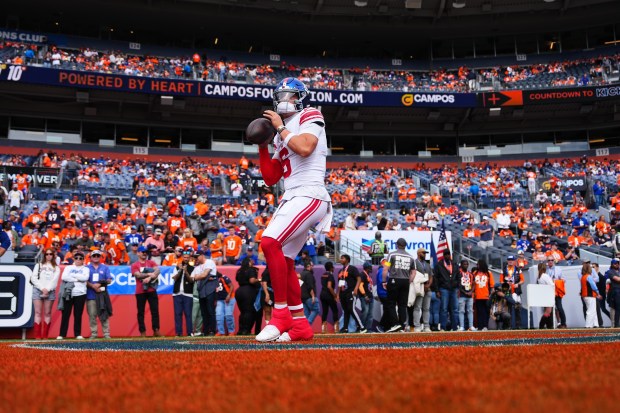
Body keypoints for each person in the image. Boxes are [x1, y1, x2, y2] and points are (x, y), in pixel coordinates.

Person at [255, 78, 331, 343]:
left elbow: (305, 147)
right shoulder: (279, 133)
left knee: (269, 242)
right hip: (292, 195)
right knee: (284, 260)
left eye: (290, 94)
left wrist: (280, 128)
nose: (285, 99)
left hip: (310, 192)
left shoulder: (311, 114)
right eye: (281, 94)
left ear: (300, 97)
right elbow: (270, 177)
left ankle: (280, 315)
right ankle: (300, 325)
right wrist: (263, 144)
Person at [382, 239, 416, 333]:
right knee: (402, 305)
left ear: (397, 245)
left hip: (394, 279)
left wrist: (384, 281)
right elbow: (413, 272)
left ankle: (395, 324)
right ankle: (402, 326)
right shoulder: (411, 257)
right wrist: (409, 281)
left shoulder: (392, 255)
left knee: (391, 303)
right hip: (405, 281)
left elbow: (385, 269)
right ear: (406, 245)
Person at [57, 251, 90, 339]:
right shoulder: (68, 268)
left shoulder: (86, 269)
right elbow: (64, 277)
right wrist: (78, 278)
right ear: (74, 259)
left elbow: (85, 278)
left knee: (78, 315)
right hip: (69, 293)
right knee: (65, 315)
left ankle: (77, 334)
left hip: (80, 293)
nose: (78, 260)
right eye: (76, 258)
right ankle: (62, 334)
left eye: (80, 258)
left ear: (83, 260)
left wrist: (73, 277)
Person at [130, 245, 161, 337]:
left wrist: (150, 277)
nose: (144, 254)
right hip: (140, 291)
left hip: (151, 290)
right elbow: (137, 275)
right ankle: (142, 331)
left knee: (155, 311)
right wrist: (149, 274)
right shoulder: (135, 265)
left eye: (146, 252)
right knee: (141, 312)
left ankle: (156, 330)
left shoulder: (151, 262)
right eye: (143, 252)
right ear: (138, 253)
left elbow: (158, 271)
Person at [31, 248, 60, 339]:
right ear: (44, 255)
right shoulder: (38, 265)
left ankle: (45, 335)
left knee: (47, 313)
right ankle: (37, 336)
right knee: (38, 312)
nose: (49, 256)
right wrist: (42, 288)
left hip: (50, 291)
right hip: (38, 289)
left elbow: (55, 280)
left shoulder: (56, 268)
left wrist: (47, 289)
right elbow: (33, 278)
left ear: (53, 255)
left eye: (50, 254)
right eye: (47, 254)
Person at [85, 249, 113, 339]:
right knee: (92, 315)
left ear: (101, 257)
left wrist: (100, 283)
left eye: (98, 256)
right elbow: (83, 280)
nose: (96, 257)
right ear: (90, 258)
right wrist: (93, 286)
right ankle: (94, 333)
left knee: (104, 314)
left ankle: (106, 333)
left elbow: (109, 280)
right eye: (94, 256)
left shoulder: (105, 268)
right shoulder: (86, 268)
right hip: (90, 294)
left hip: (102, 294)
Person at [336, 254, 366, 333]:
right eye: (341, 258)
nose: (341, 259)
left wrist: (356, 288)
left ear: (347, 260)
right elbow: (340, 283)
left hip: (350, 291)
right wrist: (338, 294)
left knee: (351, 309)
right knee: (346, 310)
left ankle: (362, 327)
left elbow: (359, 278)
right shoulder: (340, 271)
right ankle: (345, 328)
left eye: (343, 258)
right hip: (343, 292)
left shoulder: (352, 268)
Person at [192, 250, 219, 336]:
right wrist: (204, 277)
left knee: (210, 310)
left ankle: (212, 330)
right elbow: (192, 278)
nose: (196, 259)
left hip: (210, 288)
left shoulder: (209, 262)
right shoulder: (197, 267)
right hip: (201, 289)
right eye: (195, 257)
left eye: (197, 257)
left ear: (202, 255)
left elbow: (204, 275)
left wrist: (199, 277)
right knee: (204, 312)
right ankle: (206, 330)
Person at [433, 250, 459, 331]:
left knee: (454, 309)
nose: (448, 256)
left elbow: (458, 276)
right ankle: (443, 327)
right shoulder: (439, 265)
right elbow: (436, 279)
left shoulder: (454, 264)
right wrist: (437, 290)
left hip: (454, 289)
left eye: (449, 254)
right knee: (444, 309)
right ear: (443, 255)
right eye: (446, 254)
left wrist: (457, 285)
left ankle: (455, 327)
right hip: (444, 288)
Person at [171, 249, 195, 337]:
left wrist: (186, 272)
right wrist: (180, 270)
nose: (185, 259)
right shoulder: (177, 267)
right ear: (182, 257)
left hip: (188, 294)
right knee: (177, 314)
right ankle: (179, 333)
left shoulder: (192, 268)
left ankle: (189, 332)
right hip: (177, 294)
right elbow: (174, 278)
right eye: (184, 257)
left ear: (189, 258)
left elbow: (191, 280)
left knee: (188, 314)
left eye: (187, 258)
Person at [235, 257, 260, 335]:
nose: (252, 261)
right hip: (248, 291)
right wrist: (260, 280)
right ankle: (246, 330)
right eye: (251, 261)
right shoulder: (251, 269)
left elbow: (237, 279)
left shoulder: (239, 271)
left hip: (239, 291)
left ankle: (240, 329)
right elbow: (252, 280)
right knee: (248, 311)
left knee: (242, 312)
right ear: (249, 262)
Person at [500, 255, 524, 329]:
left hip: (516, 291)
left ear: (514, 261)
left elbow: (522, 280)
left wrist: (518, 284)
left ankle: (518, 325)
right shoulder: (503, 269)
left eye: (512, 260)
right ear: (507, 261)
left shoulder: (518, 269)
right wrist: (506, 285)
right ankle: (508, 326)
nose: (510, 261)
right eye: (509, 260)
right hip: (507, 291)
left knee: (517, 308)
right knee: (508, 309)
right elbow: (501, 281)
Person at [412, 247, 433, 333]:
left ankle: (426, 326)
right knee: (417, 307)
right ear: (418, 253)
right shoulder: (414, 263)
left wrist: (428, 285)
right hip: (418, 288)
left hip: (427, 288)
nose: (425, 254)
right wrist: (422, 286)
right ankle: (417, 326)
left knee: (426, 308)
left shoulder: (427, 264)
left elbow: (431, 276)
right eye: (423, 253)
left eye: (425, 253)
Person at [473, 259, 494, 331]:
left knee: (486, 312)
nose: (477, 265)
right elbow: (473, 284)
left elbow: (492, 286)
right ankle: (479, 326)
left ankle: (485, 326)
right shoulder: (475, 273)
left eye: (478, 264)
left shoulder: (488, 273)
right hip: (477, 296)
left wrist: (491, 296)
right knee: (479, 312)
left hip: (486, 296)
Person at [546, 258, 567, 328]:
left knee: (559, 307)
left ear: (554, 261)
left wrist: (555, 281)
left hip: (557, 291)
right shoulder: (546, 270)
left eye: (551, 260)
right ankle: (556, 323)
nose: (550, 261)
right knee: (551, 308)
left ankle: (563, 323)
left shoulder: (558, 269)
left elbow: (564, 279)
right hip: (549, 291)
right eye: (549, 260)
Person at [214, 270, 236, 336]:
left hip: (229, 298)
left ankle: (231, 331)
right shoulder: (212, 280)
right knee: (219, 315)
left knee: (228, 315)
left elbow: (231, 286)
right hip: (219, 300)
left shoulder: (224, 277)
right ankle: (221, 332)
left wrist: (229, 295)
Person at [581, 262, 602, 328]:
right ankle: (588, 325)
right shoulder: (589, 277)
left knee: (593, 310)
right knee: (590, 311)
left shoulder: (583, 277)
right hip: (590, 295)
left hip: (585, 295)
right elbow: (593, 286)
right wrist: (598, 292)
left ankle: (596, 324)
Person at [319, 261, 338, 333]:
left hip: (322, 295)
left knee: (324, 311)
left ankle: (323, 328)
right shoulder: (330, 275)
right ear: (331, 268)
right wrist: (335, 295)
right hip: (329, 295)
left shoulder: (323, 275)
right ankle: (336, 328)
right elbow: (329, 286)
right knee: (335, 310)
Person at [457, 259, 476, 331]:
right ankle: (462, 326)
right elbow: (458, 284)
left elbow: (474, 284)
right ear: (461, 265)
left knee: (470, 310)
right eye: (464, 264)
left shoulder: (471, 274)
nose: (466, 265)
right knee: (461, 311)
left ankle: (471, 326)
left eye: (467, 264)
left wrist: (471, 291)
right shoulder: (459, 273)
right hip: (461, 295)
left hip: (470, 295)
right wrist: (464, 292)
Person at [300, 260, 319, 326]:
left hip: (302, 297)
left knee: (306, 314)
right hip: (309, 297)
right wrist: (313, 296)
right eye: (311, 266)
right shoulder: (308, 274)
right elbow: (310, 286)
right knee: (316, 310)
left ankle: (306, 329)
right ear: (308, 266)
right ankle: (307, 325)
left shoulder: (301, 274)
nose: (312, 267)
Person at [536, 262, 554, 329]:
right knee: (548, 312)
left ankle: (549, 326)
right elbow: (552, 285)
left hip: (544, 296)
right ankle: (541, 325)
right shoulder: (545, 276)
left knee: (548, 311)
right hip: (548, 295)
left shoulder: (539, 276)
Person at [605, 258, 620, 328]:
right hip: (615, 291)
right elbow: (617, 279)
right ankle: (616, 325)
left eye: (618, 263)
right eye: (615, 263)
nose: (617, 264)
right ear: (612, 264)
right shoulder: (610, 271)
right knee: (616, 308)